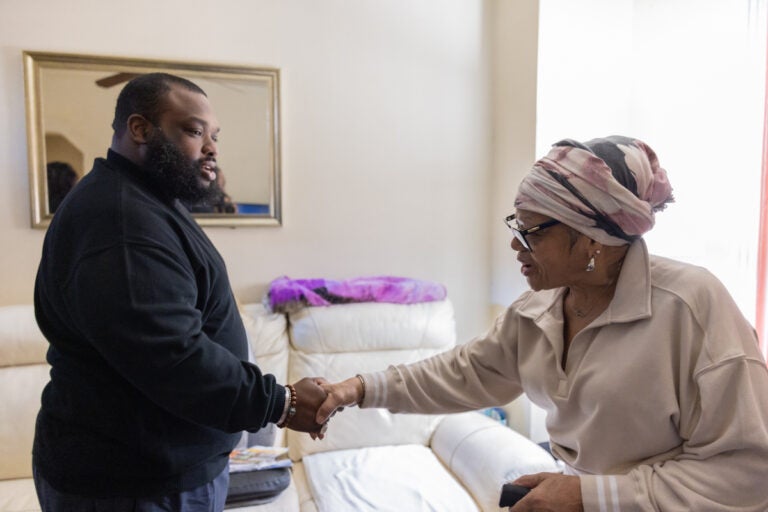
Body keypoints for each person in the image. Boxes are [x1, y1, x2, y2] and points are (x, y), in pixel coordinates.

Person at [316, 136, 768, 511]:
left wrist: (589, 496)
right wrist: (356, 389)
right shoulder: (538, 311)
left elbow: (747, 473)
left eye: (532, 231)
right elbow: (465, 372)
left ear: (592, 238)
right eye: (517, 225)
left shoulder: (692, 307)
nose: (516, 244)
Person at [33, 73, 327, 512]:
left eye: (214, 135)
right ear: (140, 129)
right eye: (193, 131)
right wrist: (281, 403)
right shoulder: (121, 222)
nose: (211, 148)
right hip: (133, 486)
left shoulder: (148, 200)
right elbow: (173, 356)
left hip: (161, 472)